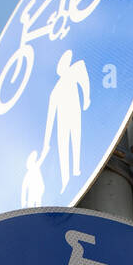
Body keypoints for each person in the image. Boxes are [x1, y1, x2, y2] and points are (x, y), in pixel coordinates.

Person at [41, 49, 90, 193]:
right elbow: (50, 117)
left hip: (74, 113)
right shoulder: (55, 90)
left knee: (76, 140)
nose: (61, 67)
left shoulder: (75, 69)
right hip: (62, 121)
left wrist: (87, 99)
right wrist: (47, 141)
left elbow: (84, 80)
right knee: (63, 148)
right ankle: (66, 180)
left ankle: (76, 169)